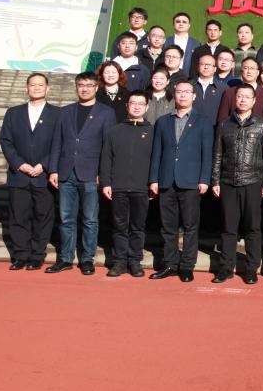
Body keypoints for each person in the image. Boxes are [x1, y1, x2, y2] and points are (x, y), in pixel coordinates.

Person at [47, 73, 116, 274]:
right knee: (66, 219)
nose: (84, 89)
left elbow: (108, 147)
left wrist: (103, 174)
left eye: (89, 85)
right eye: (81, 85)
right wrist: (53, 169)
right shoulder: (65, 112)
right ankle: (65, 258)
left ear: (96, 87)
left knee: (90, 220)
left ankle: (87, 259)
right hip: (66, 172)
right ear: (76, 87)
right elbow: (57, 142)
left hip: (91, 174)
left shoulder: (106, 113)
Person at [148, 81, 213, 282]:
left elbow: (207, 153)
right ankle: (170, 264)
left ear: (194, 96)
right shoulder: (163, 121)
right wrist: (154, 179)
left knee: (190, 226)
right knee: (168, 226)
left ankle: (187, 266)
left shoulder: (203, 121)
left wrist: (205, 179)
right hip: (166, 180)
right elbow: (156, 152)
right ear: (174, 95)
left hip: (191, 181)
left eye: (187, 92)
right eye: (179, 92)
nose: (183, 95)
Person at [211, 85, 263, 284]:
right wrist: (215, 180)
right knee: (228, 228)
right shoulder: (224, 124)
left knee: (252, 228)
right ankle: (226, 268)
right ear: (235, 99)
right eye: (239, 96)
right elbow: (218, 154)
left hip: (253, 182)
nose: (243, 100)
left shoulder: (262, 125)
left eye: (247, 97)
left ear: (254, 101)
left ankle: (251, 269)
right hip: (228, 182)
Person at [0, 72, 61, 271]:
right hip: (19, 175)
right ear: (27, 88)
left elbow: (59, 143)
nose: (36, 88)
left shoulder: (58, 114)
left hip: (44, 175)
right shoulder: (13, 113)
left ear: (47, 89)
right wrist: (20, 164)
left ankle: (37, 255)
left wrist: (44, 165)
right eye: (32, 85)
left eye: (40, 85)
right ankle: (20, 255)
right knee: (18, 216)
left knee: (43, 217)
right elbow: (6, 141)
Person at [99, 92, 153, 278]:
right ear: (127, 106)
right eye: (133, 103)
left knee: (138, 227)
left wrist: (153, 183)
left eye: (141, 103)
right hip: (118, 187)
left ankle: (135, 261)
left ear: (146, 107)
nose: (137, 107)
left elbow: (156, 160)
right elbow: (106, 158)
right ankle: (120, 261)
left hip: (141, 188)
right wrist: (106, 182)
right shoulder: (114, 131)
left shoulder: (152, 132)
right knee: (120, 226)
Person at [217, 57, 263, 123]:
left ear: (258, 72)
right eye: (246, 68)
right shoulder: (229, 93)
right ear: (241, 71)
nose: (249, 71)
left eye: (252, 68)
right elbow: (222, 120)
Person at [191, 54, 226, 122]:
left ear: (215, 69)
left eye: (209, 65)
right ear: (198, 67)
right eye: (202, 64)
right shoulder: (188, 85)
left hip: (214, 126)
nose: (206, 67)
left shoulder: (223, 88)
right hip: (191, 125)